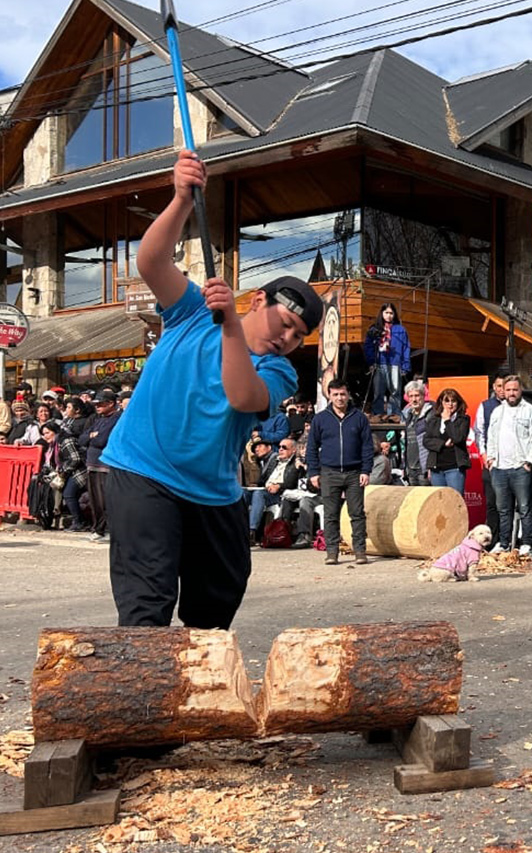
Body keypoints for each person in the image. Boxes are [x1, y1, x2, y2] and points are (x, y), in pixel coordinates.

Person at [101, 149, 318, 629]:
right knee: (147, 599)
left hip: (213, 493)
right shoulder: (193, 310)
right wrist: (180, 200)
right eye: (285, 323)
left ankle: (202, 689)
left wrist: (233, 328)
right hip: (144, 470)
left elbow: (242, 396)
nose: (288, 338)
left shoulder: (279, 372)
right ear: (259, 300)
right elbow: (152, 261)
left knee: (218, 598)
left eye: (299, 335)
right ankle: (146, 696)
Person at [306, 379, 373, 565]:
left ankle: (360, 551)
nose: (339, 398)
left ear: (348, 394)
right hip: (329, 472)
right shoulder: (320, 419)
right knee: (330, 515)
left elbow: (367, 447)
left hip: (354, 472)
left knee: (357, 514)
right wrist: (313, 472)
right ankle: (332, 552)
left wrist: (366, 470)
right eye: (335, 394)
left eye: (342, 394)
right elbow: (311, 447)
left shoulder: (359, 418)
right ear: (329, 395)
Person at [485, 374, 532, 554]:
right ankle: (504, 544)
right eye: (508, 390)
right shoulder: (497, 411)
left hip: (521, 467)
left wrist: (530, 463)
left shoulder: (530, 410)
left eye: (514, 390)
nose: (511, 393)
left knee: (524, 507)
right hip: (499, 467)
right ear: (503, 391)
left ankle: (526, 543)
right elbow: (491, 436)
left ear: (520, 390)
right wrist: (491, 459)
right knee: (503, 509)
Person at [84, 389, 122, 543]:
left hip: (105, 465)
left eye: (101, 403)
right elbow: (82, 438)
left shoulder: (117, 418)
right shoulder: (98, 419)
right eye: (96, 404)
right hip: (92, 464)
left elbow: (101, 440)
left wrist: (93, 437)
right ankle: (97, 529)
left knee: (106, 500)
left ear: (111, 403)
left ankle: (109, 530)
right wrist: (91, 436)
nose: (97, 406)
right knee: (95, 501)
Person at [363, 303, 411, 418]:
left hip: (395, 362)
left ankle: (394, 415)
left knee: (395, 391)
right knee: (378, 392)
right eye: (386, 313)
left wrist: (405, 364)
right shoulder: (374, 328)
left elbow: (406, 347)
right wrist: (371, 361)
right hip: (379, 363)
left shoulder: (400, 329)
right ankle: (378, 415)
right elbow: (368, 346)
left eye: (391, 313)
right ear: (382, 313)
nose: (389, 316)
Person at [424, 388, 472, 494]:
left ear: (458, 403)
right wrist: (442, 444)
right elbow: (426, 441)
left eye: (453, 401)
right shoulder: (434, 419)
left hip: (454, 468)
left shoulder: (463, 419)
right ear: (441, 402)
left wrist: (447, 421)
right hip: (437, 469)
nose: (450, 404)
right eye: (447, 401)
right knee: (440, 502)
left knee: (455, 501)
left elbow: (458, 438)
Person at [474, 374, 507, 524]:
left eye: (504, 386)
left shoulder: (520, 406)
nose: (502, 390)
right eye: (499, 386)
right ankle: (494, 540)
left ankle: (511, 541)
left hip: (511, 462)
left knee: (509, 504)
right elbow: (479, 432)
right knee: (492, 503)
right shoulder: (485, 406)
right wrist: (484, 455)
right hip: (491, 462)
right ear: (494, 387)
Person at [401, 380, 433, 484]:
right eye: (411, 396)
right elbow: (406, 443)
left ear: (423, 396)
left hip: (423, 467)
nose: (414, 399)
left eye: (417, 396)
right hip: (410, 468)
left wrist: (430, 466)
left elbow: (433, 441)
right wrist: (404, 466)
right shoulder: (409, 415)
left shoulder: (430, 414)